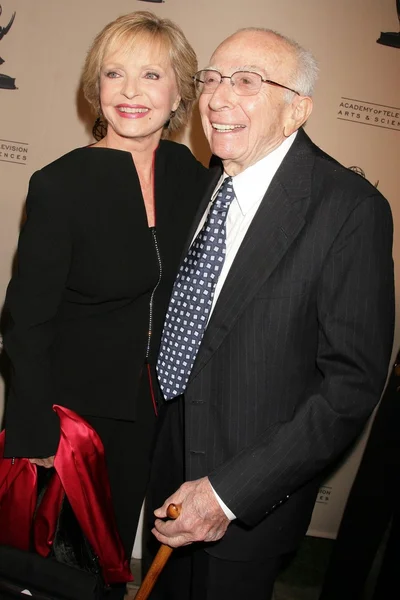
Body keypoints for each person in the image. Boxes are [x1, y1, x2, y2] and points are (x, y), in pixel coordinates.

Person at [146, 27, 395, 600]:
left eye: (246, 82)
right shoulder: (204, 182)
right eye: (211, 79)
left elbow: (351, 385)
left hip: (244, 500)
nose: (217, 98)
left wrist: (230, 493)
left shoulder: (349, 210)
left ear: (296, 110)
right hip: (169, 454)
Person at [2, 11, 211, 598]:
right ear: (96, 88)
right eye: (114, 73)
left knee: (112, 561)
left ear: (179, 93)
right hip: (69, 417)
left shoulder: (193, 181)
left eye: (151, 75)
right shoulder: (60, 184)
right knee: (55, 571)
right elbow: (27, 319)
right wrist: (32, 430)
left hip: (151, 414)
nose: (130, 91)